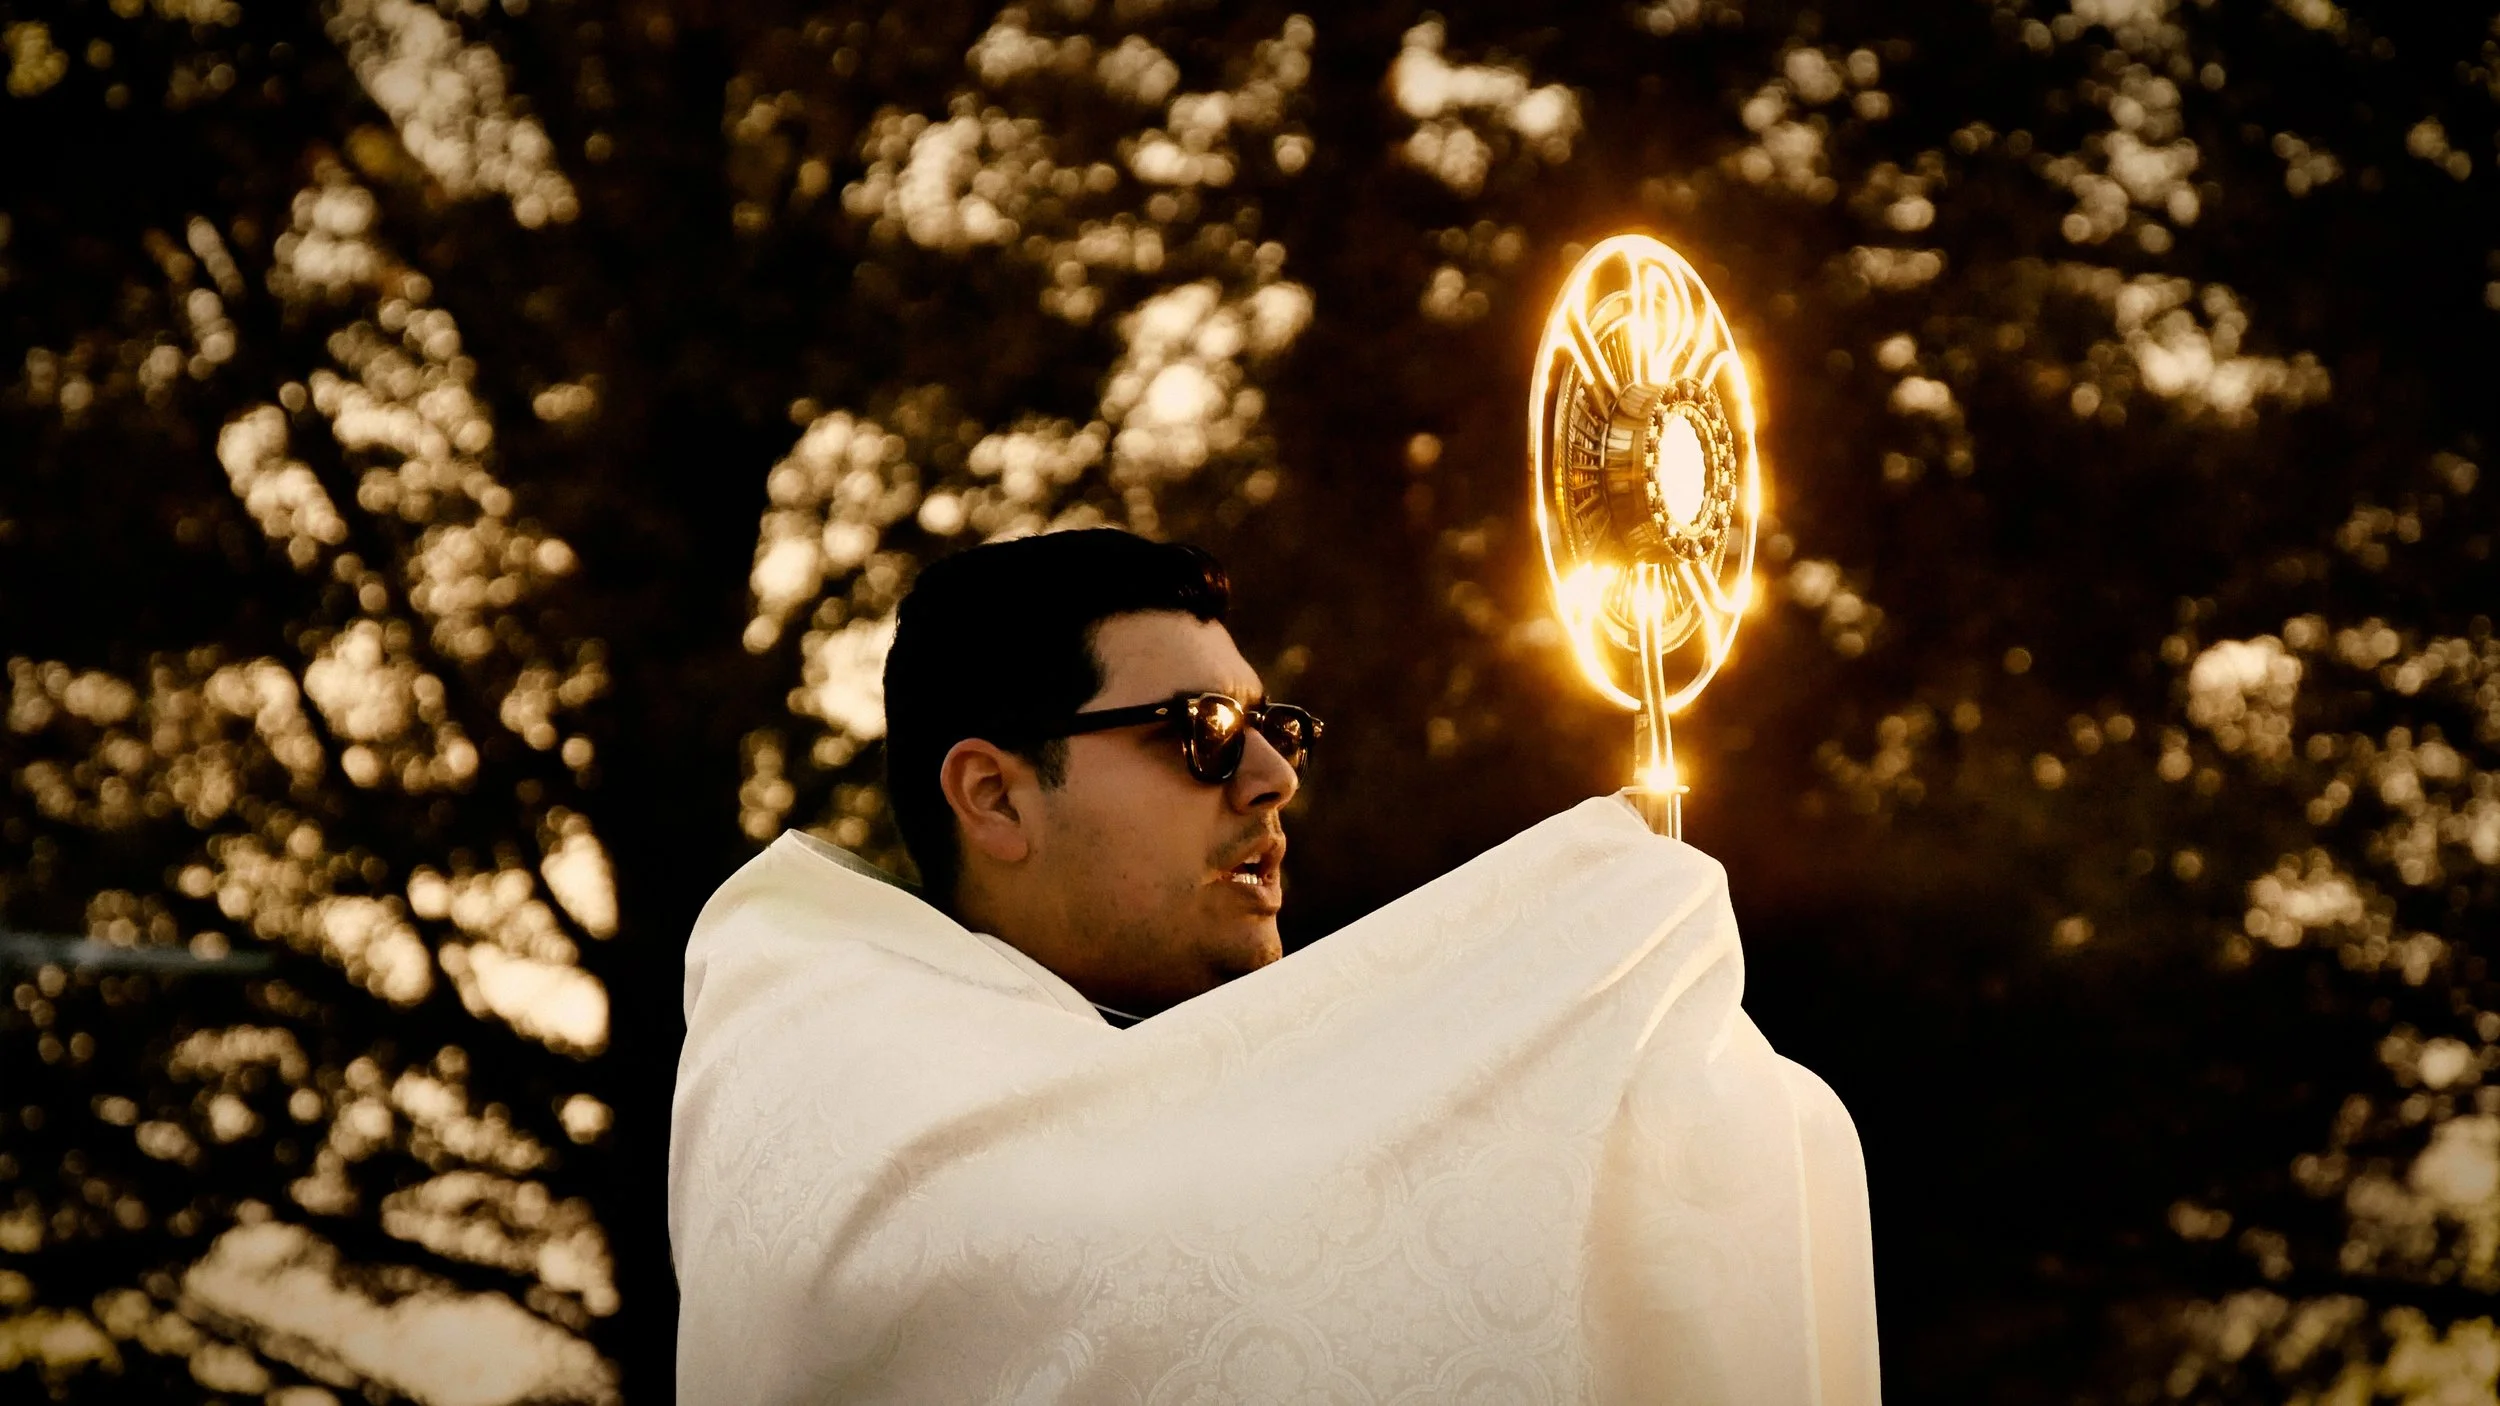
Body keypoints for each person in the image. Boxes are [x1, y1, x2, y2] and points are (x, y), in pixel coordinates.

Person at [670, 528, 1879, 1405]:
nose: (1272, 777)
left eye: (1274, 724)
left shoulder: (1267, 1083)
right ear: (994, 794)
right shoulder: (851, 1106)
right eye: (1198, 730)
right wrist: (1588, 955)